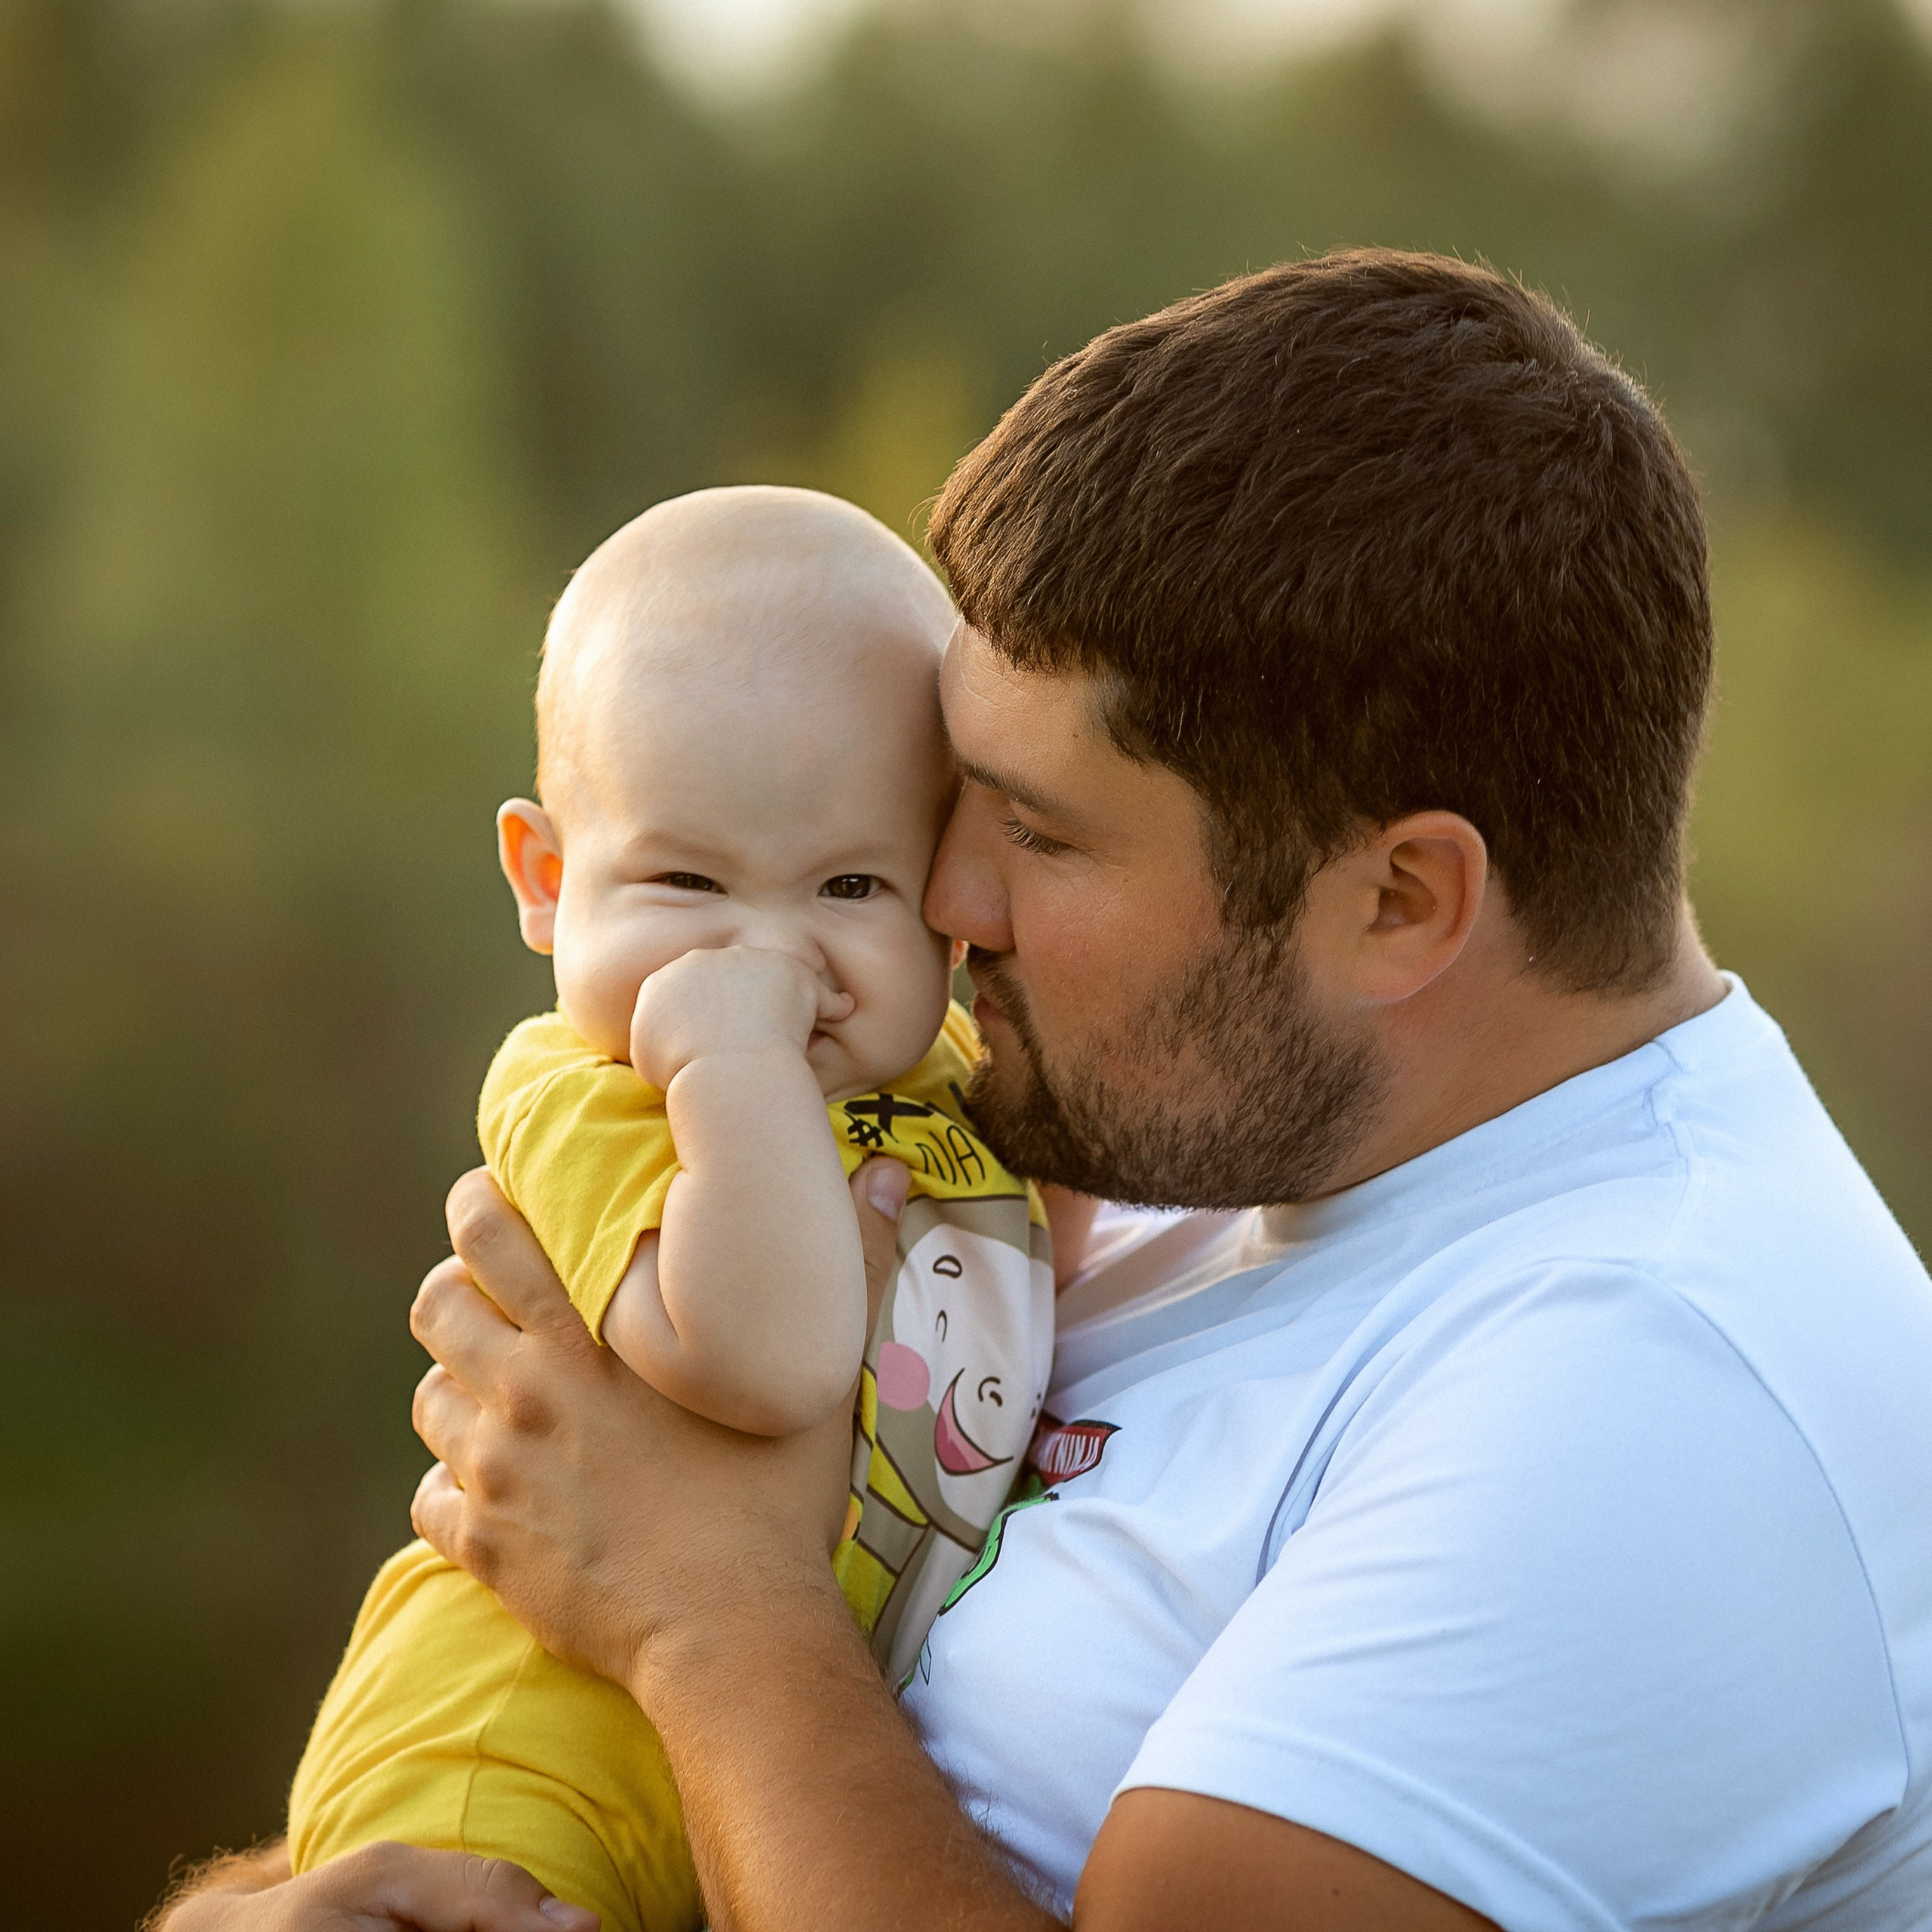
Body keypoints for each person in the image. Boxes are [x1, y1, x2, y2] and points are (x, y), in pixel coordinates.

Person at [152, 251, 1932, 1932]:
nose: (943, 899)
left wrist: (703, 1609)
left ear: (1396, 901)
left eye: (1040, 832)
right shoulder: (1197, 1142)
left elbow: (715, 1618)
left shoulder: (1662, 1390)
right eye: (954, 797)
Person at [279, 488, 1057, 1932]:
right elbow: (766, 1361)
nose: (767, 950)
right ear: (546, 880)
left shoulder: (945, 1085)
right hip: (508, 1753)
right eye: (688, 880)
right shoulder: (597, 1093)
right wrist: (734, 1058)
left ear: (946, 899)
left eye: (849, 882)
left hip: (734, 1786)